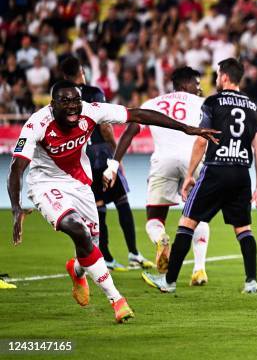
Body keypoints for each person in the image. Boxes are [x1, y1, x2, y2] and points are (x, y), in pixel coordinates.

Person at [8, 80, 218, 323]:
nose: (73, 106)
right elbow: (17, 167)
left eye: (76, 100)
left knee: (90, 243)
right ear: (52, 104)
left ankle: (76, 270)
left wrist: (187, 129)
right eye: (65, 101)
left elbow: (138, 115)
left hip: (80, 184)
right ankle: (117, 300)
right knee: (77, 229)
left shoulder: (91, 110)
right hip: (45, 185)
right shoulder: (37, 124)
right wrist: (16, 207)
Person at [141, 58, 257, 294]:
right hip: (241, 172)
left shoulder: (213, 102)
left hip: (215, 169)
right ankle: (252, 282)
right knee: (243, 229)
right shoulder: (253, 107)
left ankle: (168, 282)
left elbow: (201, 139)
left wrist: (190, 174)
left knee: (186, 223)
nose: (216, 80)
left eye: (218, 75)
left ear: (225, 77)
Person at [105, 66, 210, 286]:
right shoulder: (203, 104)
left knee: (154, 219)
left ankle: (161, 239)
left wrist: (113, 164)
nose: (200, 89)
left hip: (162, 162)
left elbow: (129, 132)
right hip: (194, 160)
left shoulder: (152, 104)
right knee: (197, 215)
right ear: (185, 85)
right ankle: (199, 270)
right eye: (197, 85)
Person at [60, 56, 152, 271]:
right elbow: (106, 127)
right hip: (101, 154)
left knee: (98, 207)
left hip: (81, 159)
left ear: (64, 76)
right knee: (122, 202)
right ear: (81, 71)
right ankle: (133, 254)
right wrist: (116, 157)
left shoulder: (62, 99)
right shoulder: (93, 92)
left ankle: (107, 256)